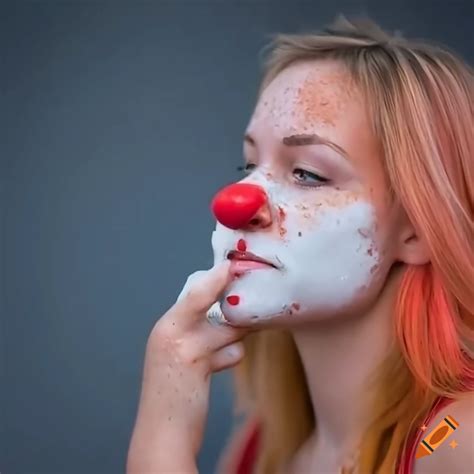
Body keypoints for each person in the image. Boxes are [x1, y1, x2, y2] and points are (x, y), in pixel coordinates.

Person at [126, 16, 473, 474]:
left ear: (416, 230)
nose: (237, 204)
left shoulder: (455, 445)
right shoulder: (261, 447)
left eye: (307, 173)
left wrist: (163, 438)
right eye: (248, 164)